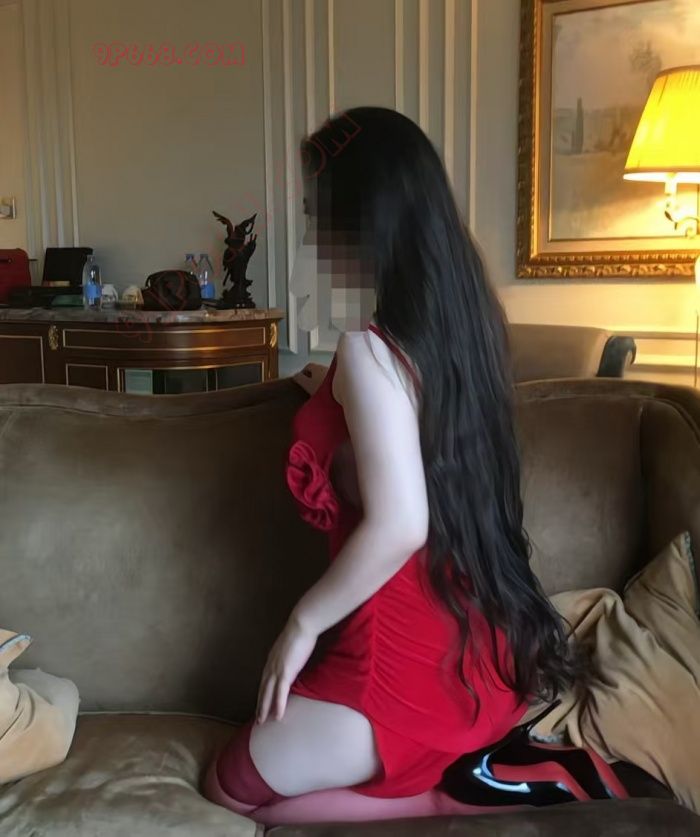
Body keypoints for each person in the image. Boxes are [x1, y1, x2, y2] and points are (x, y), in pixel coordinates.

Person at [202, 106, 577, 826]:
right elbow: (409, 430)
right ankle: (461, 775)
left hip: (397, 663)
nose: (311, 237)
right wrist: (331, 393)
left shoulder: (371, 351)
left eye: (316, 216)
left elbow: (403, 522)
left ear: (360, 223)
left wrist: (301, 624)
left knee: (231, 791)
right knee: (277, 799)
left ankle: (453, 796)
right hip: (479, 653)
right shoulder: (462, 332)